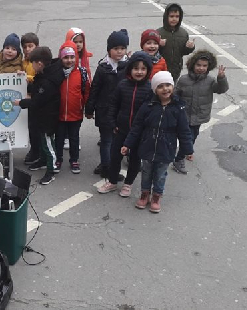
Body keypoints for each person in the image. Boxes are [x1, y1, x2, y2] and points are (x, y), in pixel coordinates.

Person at [121, 71, 193, 213]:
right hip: (147, 146)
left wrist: (188, 150)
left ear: (172, 86)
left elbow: (184, 131)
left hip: (166, 148)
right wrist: (127, 144)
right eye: (160, 86)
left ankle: (156, 197)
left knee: (160, 174)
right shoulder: (148, 105)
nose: (165, 89)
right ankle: (144, 194)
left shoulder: (178, 108)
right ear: (155, 89)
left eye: (168, 85)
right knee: (146, 172)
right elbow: (137, 127)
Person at [98, 51, 154, 197]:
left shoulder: (150, 88)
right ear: (130, 69)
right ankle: (112, 182)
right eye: (136, 68)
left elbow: (152, 112)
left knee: (135, 159)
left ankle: (128, 184)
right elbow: (113, 105)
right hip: (120, 129)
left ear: (148, 70)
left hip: (138, 133)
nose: (139, 72)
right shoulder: (122, 85)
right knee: (115, 156)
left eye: (143, 69)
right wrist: (112, 123)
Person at [13, 46, 65, 185]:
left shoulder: (48, 82)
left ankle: (52, 169)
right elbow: (36, 88)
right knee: (43, 143)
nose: (32, 66)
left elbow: (37, 101)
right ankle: (43, 161)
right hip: (41, 118)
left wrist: (21, 103)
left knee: (48, 145)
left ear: (40, 63)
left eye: (33, 63)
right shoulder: (44, 75)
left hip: (47, 119)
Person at [172, 49, 229, 174]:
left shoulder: (210, 81)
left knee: (193, 136)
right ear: (193, 65)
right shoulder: (184, 80)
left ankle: (187, 150)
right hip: (184, 115)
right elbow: (175, 94)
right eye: (198, 65)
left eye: (204, 66)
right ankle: (178, 159)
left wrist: (221, 78)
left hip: (199, 115)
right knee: (187, 137)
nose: (201, 68)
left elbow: (221, 89)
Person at [85, 29, 129, 178]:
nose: (119, 52)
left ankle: (109, 165)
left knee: (117, 141)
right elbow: (95, 89)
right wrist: (89, 109)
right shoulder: (103, 68)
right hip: (104, 111)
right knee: (106, 141)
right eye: (116, 49)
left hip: (120, 112)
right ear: (109, 50)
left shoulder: (128, 67)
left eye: (122, 48)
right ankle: (106, 168)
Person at [54, 41, 90, 174]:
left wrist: (87, 108)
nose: (69, 60)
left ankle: (74, 160)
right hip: (59, 113)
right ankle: (58, 159)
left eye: (72, 57)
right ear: (60, 58)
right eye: (65, 57)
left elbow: (86, 91)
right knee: (59, 138)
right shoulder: (56, 72)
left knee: (74, 138)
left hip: (76, 113)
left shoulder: (81, 73)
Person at [63, 27, 93, 150]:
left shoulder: (84, 58)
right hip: (68, 93)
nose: (78, 44)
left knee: (76, 118)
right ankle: (65, 138)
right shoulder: (66, 57)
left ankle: (73, 138)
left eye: (81, 42)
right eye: (75, 42)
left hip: (80, 93)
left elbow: (88, 76)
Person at [157, 3, 195, 81]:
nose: (174, 19)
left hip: (176, 68)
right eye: (171, 16)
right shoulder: (159, 32)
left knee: (173, 88)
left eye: (177, 16)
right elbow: (151, 51)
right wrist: (159, 45)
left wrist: (189, 47)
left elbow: (183, 52)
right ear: (166, 17)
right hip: (160, 68)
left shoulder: (183, 33)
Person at [20, 32, 41, 165]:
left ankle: (38, 152)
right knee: (30, 128)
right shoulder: (23, 63)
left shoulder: (39, 62)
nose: (27, 49)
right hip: (27, 99)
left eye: (30, 46)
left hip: (37, 99)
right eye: (25, 47)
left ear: (36, 46)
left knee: (37, 128)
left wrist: (27, 78)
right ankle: (34, 150)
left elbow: (40, 78)